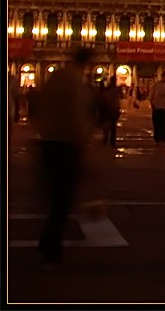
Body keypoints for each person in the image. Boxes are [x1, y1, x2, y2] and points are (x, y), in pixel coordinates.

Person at [31, 47, 96, 268]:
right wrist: (83, 145)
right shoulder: (76, 85)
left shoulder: (55, 78)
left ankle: (48, 245)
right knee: (62, 201)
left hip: (47, 142)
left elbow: (38, 107)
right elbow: (77, 118)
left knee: (54, 198)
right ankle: (50, 250)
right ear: (86, 63)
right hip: (66, 146)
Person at [149, 71, 165, 146]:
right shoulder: (156, 85)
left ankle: (164, 138)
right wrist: (152, 104)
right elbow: (151, 95)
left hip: (164, 107)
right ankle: (157, 138)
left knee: (163, 124)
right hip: (156, 106)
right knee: (156, 123)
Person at [99, 76, 122, 147]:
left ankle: (107, 140)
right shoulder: (113, 89)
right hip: (111, 108)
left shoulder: (110, 89)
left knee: (110, 125)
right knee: (111, 125)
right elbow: (116, 99)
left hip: (111, 108)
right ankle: (110, 141)